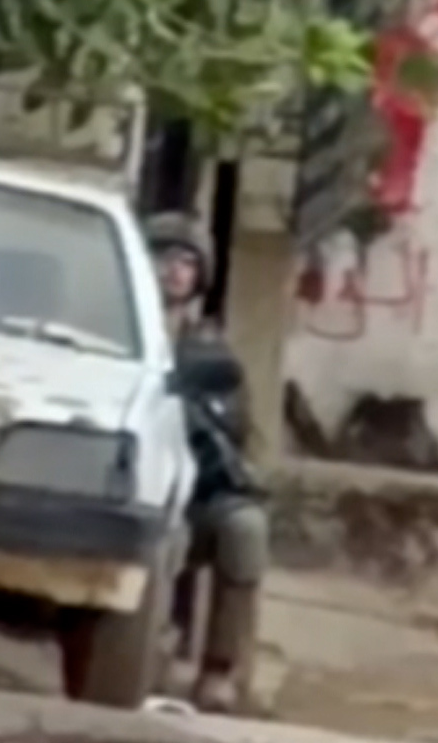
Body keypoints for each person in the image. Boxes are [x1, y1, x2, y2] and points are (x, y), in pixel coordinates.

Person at [144, 212, 270, 713]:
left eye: (187, 262)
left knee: (245, 529)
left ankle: (219, 669)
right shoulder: (118, 326)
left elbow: (243, 436)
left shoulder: (211, 349)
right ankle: (147, 652)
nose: (173, 271)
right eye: (162, 258)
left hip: (196, 494)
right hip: (135, 486)